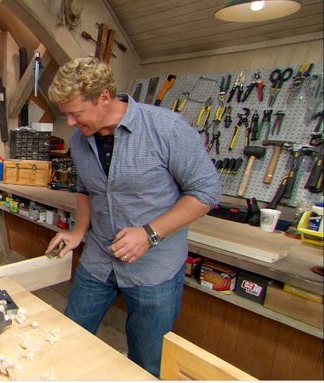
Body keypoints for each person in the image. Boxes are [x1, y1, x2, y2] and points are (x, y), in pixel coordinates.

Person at [45, 56, 221, 377]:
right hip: (99, 259)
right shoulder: (80, 139)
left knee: (146, 362)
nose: (69, 122)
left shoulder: (166, 129)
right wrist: (78, 232)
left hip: (154, 269)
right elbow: (87, 190)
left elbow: (206, 192)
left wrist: (150, 233)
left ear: (103, 98)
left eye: (75, 113)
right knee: (68, 339)